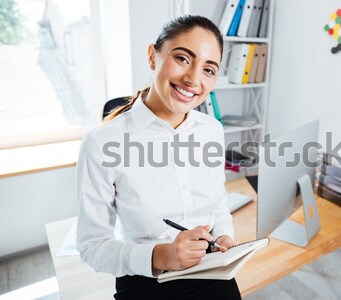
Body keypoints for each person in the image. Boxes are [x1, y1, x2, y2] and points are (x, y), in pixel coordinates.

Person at [76, 15, 241, 300]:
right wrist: (161, 255)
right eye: (183, 58)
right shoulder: (102, 143)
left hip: (211, 269)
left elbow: (218, 203)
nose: (193, 79)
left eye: (208, 69)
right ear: (153, 56)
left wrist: (224, 234)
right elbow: (92, 246)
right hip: (146, 281)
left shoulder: (212, 130)